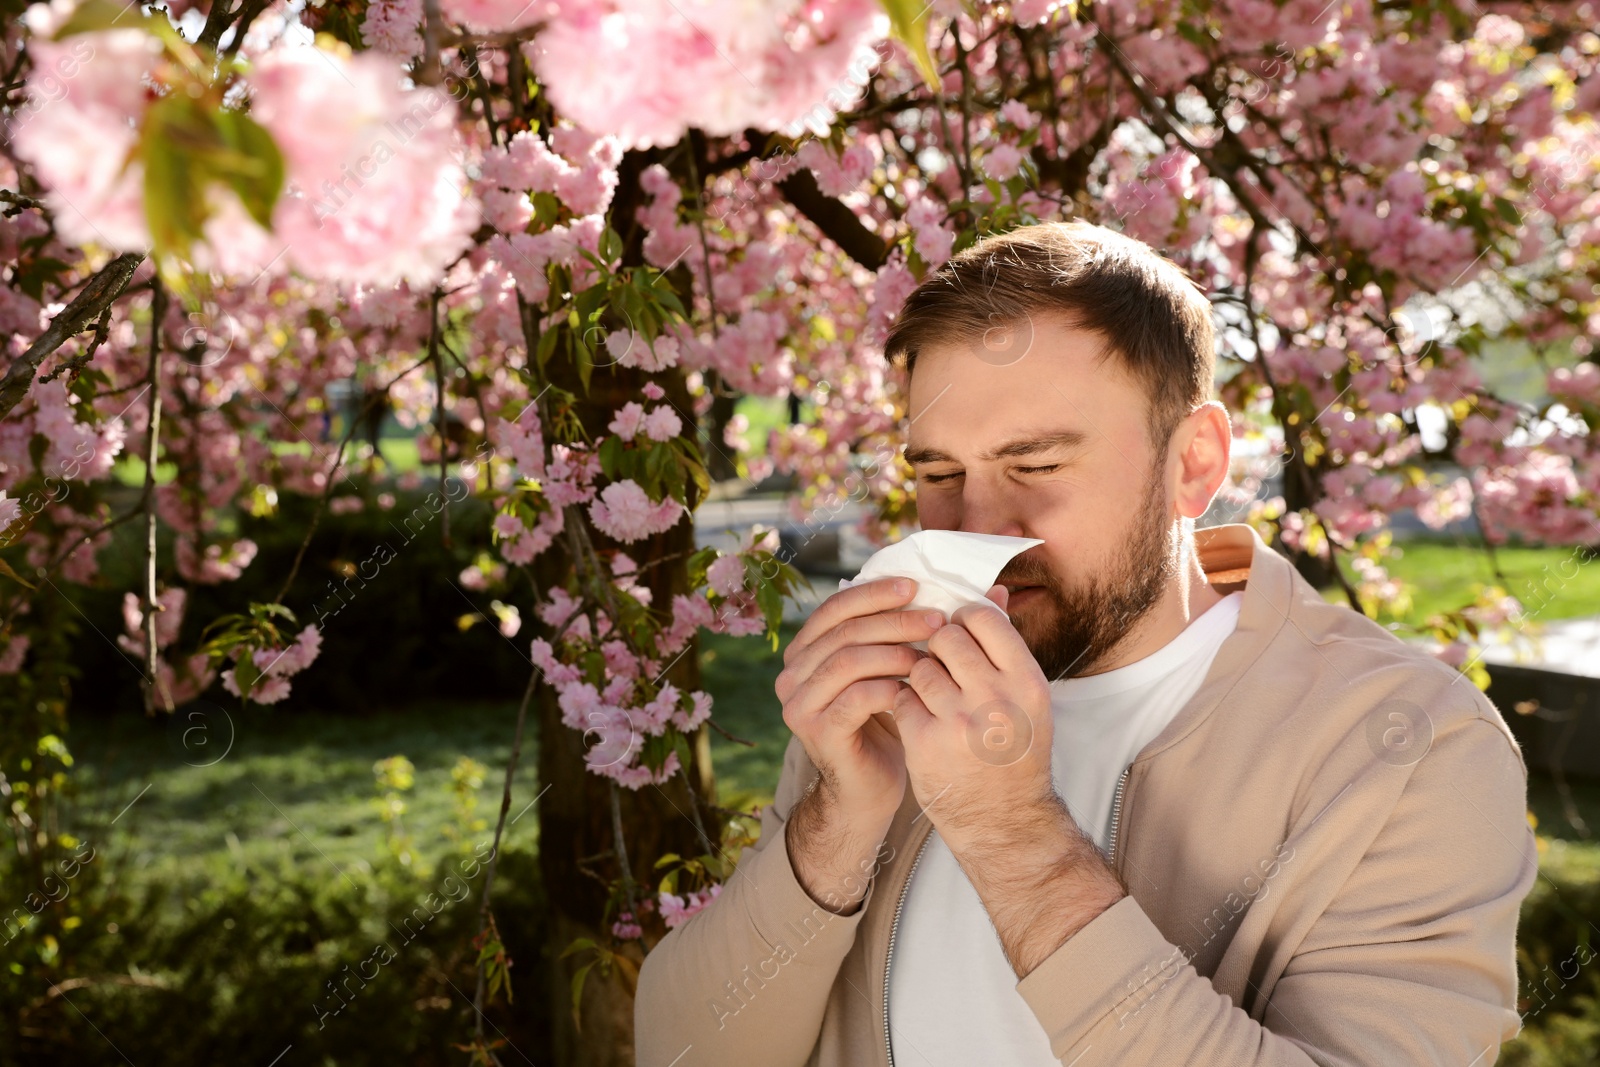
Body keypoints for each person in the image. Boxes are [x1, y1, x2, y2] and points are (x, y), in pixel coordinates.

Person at [634, 220, 1536, 1066]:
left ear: (1194, 463)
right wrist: (839, 820)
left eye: (1036, 466)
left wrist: (1012, 832)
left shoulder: (1409, 745)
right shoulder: (897, 693)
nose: (979, 526)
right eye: (940, 473)